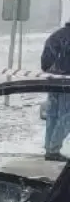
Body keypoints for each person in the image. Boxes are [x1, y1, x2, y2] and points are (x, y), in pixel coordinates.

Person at [41, 21, 70, 160]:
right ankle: (54, 149)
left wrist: (51, 71)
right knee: (66, 115)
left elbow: (45, 61)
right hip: (67, 81)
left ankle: (49, 148)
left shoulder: (56, 35)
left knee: (53, 114)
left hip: (52, 80)